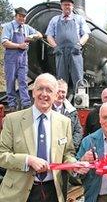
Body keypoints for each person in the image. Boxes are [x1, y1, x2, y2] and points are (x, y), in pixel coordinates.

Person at [0, 73, 89, 202]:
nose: (44, 94)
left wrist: (73, 165)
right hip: (18, 193)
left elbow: (67, 154)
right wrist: (27, 160)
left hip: (53, 192)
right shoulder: (12, 120)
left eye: (49, 90)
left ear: (55, 96)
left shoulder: (64, 122)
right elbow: (2, 155)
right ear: (33, 93)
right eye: (40, 89)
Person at [1, 7, 42, 112]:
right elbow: (5, 42)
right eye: (20, 16)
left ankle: (26, 103)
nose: (22, 19)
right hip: (11, 58)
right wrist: (19, 45)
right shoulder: (8, 27)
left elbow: (40, 34)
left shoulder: (26, 28)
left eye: (24, 17)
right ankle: (12, 104)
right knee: (10, 82)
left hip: (23, 58)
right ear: (16, 16)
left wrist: (31, 37)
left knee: (23, 81)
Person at [45, 0, 91, 90]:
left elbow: (86, 34)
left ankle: (80, 100)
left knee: (78, 77)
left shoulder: (79, 19)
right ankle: (61, 102)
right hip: (60, 52)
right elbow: (49, 36)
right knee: (61, 79)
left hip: (75, 51)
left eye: (69, 5)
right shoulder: (55, 20)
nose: (67, 7)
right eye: (65, 4)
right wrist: (55, 46)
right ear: (61, 6)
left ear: (72, 6)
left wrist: (79, 44)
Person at [53, 79, 83, 150]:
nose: (60, 95)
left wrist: (71, 147)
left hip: (67, 151)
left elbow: (78, 131)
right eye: (58, 91)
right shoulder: (46, 110)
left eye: (63, 92)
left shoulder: (72, 111)